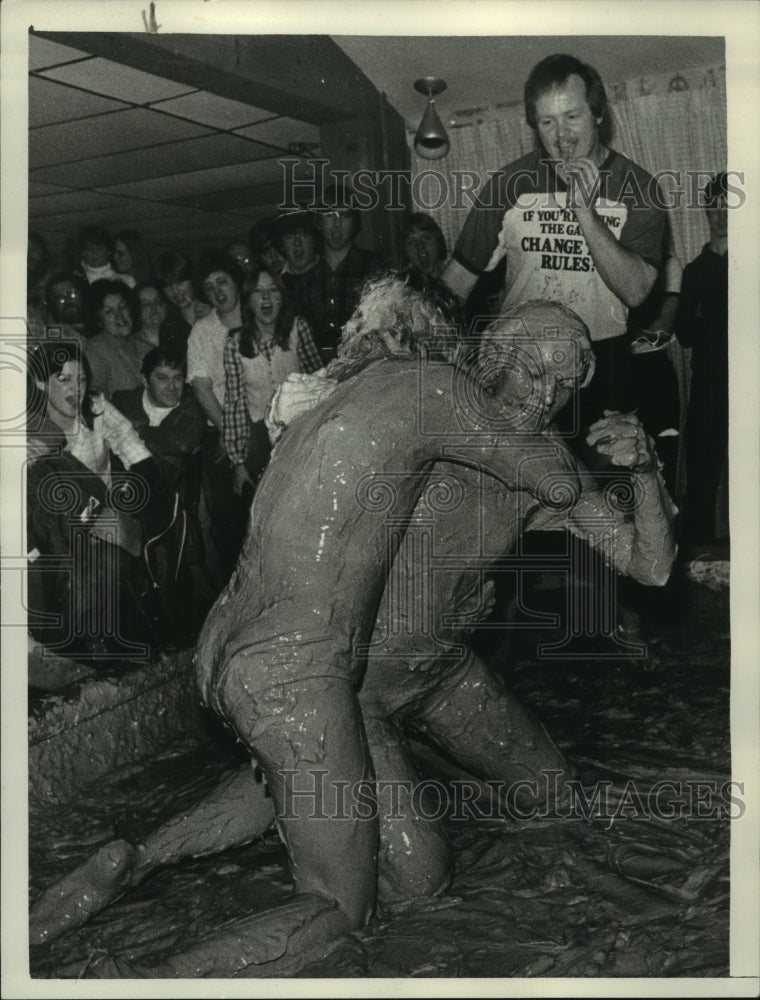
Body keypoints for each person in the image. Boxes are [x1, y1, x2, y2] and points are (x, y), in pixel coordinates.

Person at [29, 282, 676, 975]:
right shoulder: (446, 420)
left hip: (440, 669)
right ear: (490, 357)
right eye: (532, 370)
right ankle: (154, 927)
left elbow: (652, 566)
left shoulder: (525, 449)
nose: (543, 395)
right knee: (410, 877)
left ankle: (151, 854)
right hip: (359, 681)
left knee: (554, 796)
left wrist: (642, 470)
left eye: (564, 382)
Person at [443, 53, 665, 445]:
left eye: (572, 117)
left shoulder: (640, 188)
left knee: (602, 499)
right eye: (547, 121)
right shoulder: (508, 185)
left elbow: (636, 291)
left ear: (598, 115)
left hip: (603, 369)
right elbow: (451, 288)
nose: (561, 135)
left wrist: (584, 211)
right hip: (521, 370)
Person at [25, 341, 171, 659]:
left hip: (103, 520)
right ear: (40, 382)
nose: (75, 389)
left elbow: (140, 457)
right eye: (63, 380)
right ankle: (70, 648)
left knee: (107, 560)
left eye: (81, 379)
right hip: (56, 535)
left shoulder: (98, 409)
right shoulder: (25, 425)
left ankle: (101, 645)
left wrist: (126, 504)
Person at [223, 267, 322, 499]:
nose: (266, 298)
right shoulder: (235, 344)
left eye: (272, 290)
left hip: (300, 425)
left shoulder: (299, 328)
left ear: (281, 297)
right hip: (259, 432)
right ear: (248, 301)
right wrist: (239, 462)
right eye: (257, 292)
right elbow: (235, 403)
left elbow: (319, 383)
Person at [676, 173, 729, 544]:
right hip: (709, 384)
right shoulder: (693, 272)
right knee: (701, 472)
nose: (722, 215)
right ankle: (698, 554)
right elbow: (687, 335)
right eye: (716, 207)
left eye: (731, 207)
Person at [186, 256, 246, 580]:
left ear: (237, 281)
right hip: (220, 428)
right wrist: (229, 430)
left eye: (222, 281)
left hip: (267, 425)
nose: (216, 291)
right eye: (208, 287)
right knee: (228, 521)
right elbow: (201, 386)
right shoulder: (203, 330)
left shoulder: (260, 317)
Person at [293, 181, 381, 365]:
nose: (337, 223)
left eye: (344, 215)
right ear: (318, 221)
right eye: (329, 215)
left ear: (355, 222)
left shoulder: (375, 268)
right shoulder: (305, 281)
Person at [84, 280, 151, 398]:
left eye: (122, 307)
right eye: (109, 311)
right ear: (99, 320)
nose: (119, 315)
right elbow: (94, 398)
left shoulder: (143, 345)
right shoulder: (96, 350)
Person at [154, 250, 212, 356]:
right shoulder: (168, 328)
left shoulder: (214, 307)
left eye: (179, 282)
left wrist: (215, 320)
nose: (175, 291)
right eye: (167, 286)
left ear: (191, 279)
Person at [401, 212, 448, 278]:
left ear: (438, 241)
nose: (420, 246)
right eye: (411, 242)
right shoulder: (402, 286)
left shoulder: (457, 280)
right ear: (405, 252)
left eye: (426, 238)